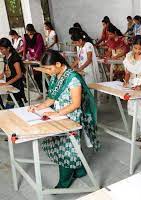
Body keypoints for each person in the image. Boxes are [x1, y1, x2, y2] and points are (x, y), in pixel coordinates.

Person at [28, 50, 99, 188]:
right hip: (60, 114)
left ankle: (64, 182)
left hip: (70, 117)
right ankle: (80, 169)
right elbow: (52, 98)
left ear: (59, 64)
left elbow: (76, 104)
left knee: (66, 148)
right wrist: (38, 107)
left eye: (49, 68)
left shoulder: (72, 78)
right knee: (70, 145)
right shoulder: (57, 74)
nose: (48, 72)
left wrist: (58, 113)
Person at [0, 38, 26, 108]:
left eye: (2, 49)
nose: (0, 51)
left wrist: (6, 84)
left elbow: (19, 75)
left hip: (16, 85)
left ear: (8, 48)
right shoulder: (5, 57)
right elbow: (4, 73)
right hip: (11, 84)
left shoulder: (14, 57)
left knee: (10, 105)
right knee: (19, 103)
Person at [23, 24, 45, 94]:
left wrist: (36, 56)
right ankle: (41, 92)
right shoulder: (25, 36)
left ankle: (47, 91)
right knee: (36, 76)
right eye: (28, 31)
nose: (29, 33)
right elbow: (25, 46)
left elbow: (40, 46)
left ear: (33, 30)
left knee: (43, 75)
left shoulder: (38, 35)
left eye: (30, 31)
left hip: (40, 56)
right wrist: (24, 56)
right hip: (32, 57)